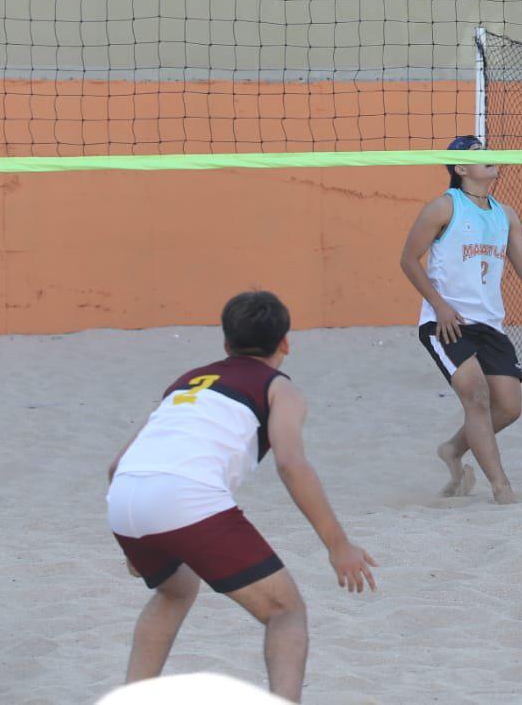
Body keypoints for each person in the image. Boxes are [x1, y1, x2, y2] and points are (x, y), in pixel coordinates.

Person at [106, 291, 377, 702]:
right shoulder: (279, 389)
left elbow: (116, 467)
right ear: (285, 342)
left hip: (125, 497)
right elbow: (291, 464)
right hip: (187, 498)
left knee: (175, 590)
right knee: (285, 612)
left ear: (226, 344)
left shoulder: (186, 381)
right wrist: (338, 545)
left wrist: (136, 539)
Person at [400, 136, 522, 504]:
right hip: (447, 322)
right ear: (460, 169)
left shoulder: (506, 214)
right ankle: (501, 488)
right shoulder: (443, 207)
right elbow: (408, 260)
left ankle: (453, 450)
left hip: (490, 325)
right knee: (476, 395)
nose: (488, 156)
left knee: (509, 408)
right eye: (477, 154)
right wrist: (438, 305)